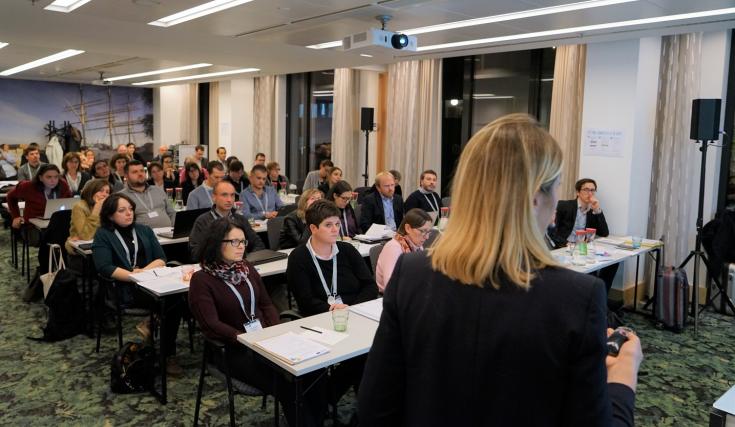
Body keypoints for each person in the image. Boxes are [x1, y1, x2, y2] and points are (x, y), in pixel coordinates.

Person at [358, 113, 642, 426]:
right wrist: (622, 378)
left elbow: (376, 409)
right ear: (535, 198)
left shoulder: (412, 274)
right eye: (557, 186)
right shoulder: (577, 297)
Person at [188, 216, 325, 426]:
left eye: (243, 241)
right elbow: (211, 324)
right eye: (234, 242)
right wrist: (245, 338)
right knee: (288, 385)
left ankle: (315, 419)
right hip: (232, 349)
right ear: (217, 244)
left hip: (263, 340)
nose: (241, 247)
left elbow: (266, 304)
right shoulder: (202, 280)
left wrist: (275, 332)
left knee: (314, 369)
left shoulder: (246, 269)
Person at [92, 193, 183, 375]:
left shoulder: (144, 230)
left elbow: (161, 258)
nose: (129, 213)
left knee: (177, 298)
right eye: (122, 210)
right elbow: (105, 267)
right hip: (125, 288)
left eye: (131, 209)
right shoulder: (103, 235)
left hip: (150, 281)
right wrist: (133, 276)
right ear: (110, 215)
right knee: (171, 302)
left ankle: (153, 324)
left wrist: (143, 272)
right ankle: (167, 354)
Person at [286, 199, 377, 316]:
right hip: (322, 318)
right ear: (313, 228)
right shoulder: (298, 258)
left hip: (356, 313)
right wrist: (335, 310)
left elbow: (370, 286)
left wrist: (352, 309)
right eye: (328, 225)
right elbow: (306, 302)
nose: (335, 230)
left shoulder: (347, 250)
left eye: (337, 224)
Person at [550, 178, 619, 297]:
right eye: (586, 190)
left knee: (613, 263)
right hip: (564, 248)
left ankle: (602, 297)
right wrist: (565, 243)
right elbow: (551, 230)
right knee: (590, 277)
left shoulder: (592, 211)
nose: (590, 193)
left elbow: (604, 233)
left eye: (593, 190)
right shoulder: (564, 206)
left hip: (582, 249)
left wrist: (597, 210)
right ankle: (596, 300)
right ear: (578, 192)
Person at [189, 180, 265, 259]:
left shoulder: (240, 219)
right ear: (214, 197)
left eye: (232, 195)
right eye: (224, 195)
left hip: (240, 264)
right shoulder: (203, 221)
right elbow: (195, 252)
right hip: (215, 267)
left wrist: (245, 260)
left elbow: (258, 244)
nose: (229, 200)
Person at [375, 209, 432, 293]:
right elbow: (390, 285)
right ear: (408, 228)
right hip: (391, 297)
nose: (427, 237)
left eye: (429, 232)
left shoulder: (417, 245)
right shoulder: (393, 247)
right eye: (423, 231)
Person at [7, 164, 72, 227]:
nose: (53, 180)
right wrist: (16, 216)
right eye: (48, 177)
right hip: (33, 224)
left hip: (57, 221)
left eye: (56, 177)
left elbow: (69, 201)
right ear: (40, 178)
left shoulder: (62, 184)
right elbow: (10, 196)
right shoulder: (28, 186)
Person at [119, 160, 175, 228]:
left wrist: (174, 229)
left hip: (168, 233)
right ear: (126, 176)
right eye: (135, 172)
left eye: (142, 171)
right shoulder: (122, 197)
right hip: (143, 236)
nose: (140, 174)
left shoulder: (157, 190)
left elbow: (172, 213)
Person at [65, 178, 110, 254]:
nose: (105, 194)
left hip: (102, 246)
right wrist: (96, 210)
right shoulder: (79, 207)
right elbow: (86, 236)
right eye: (101, 190)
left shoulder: (107, 207)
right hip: (80, 251)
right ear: (92, 191)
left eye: (107, 192)